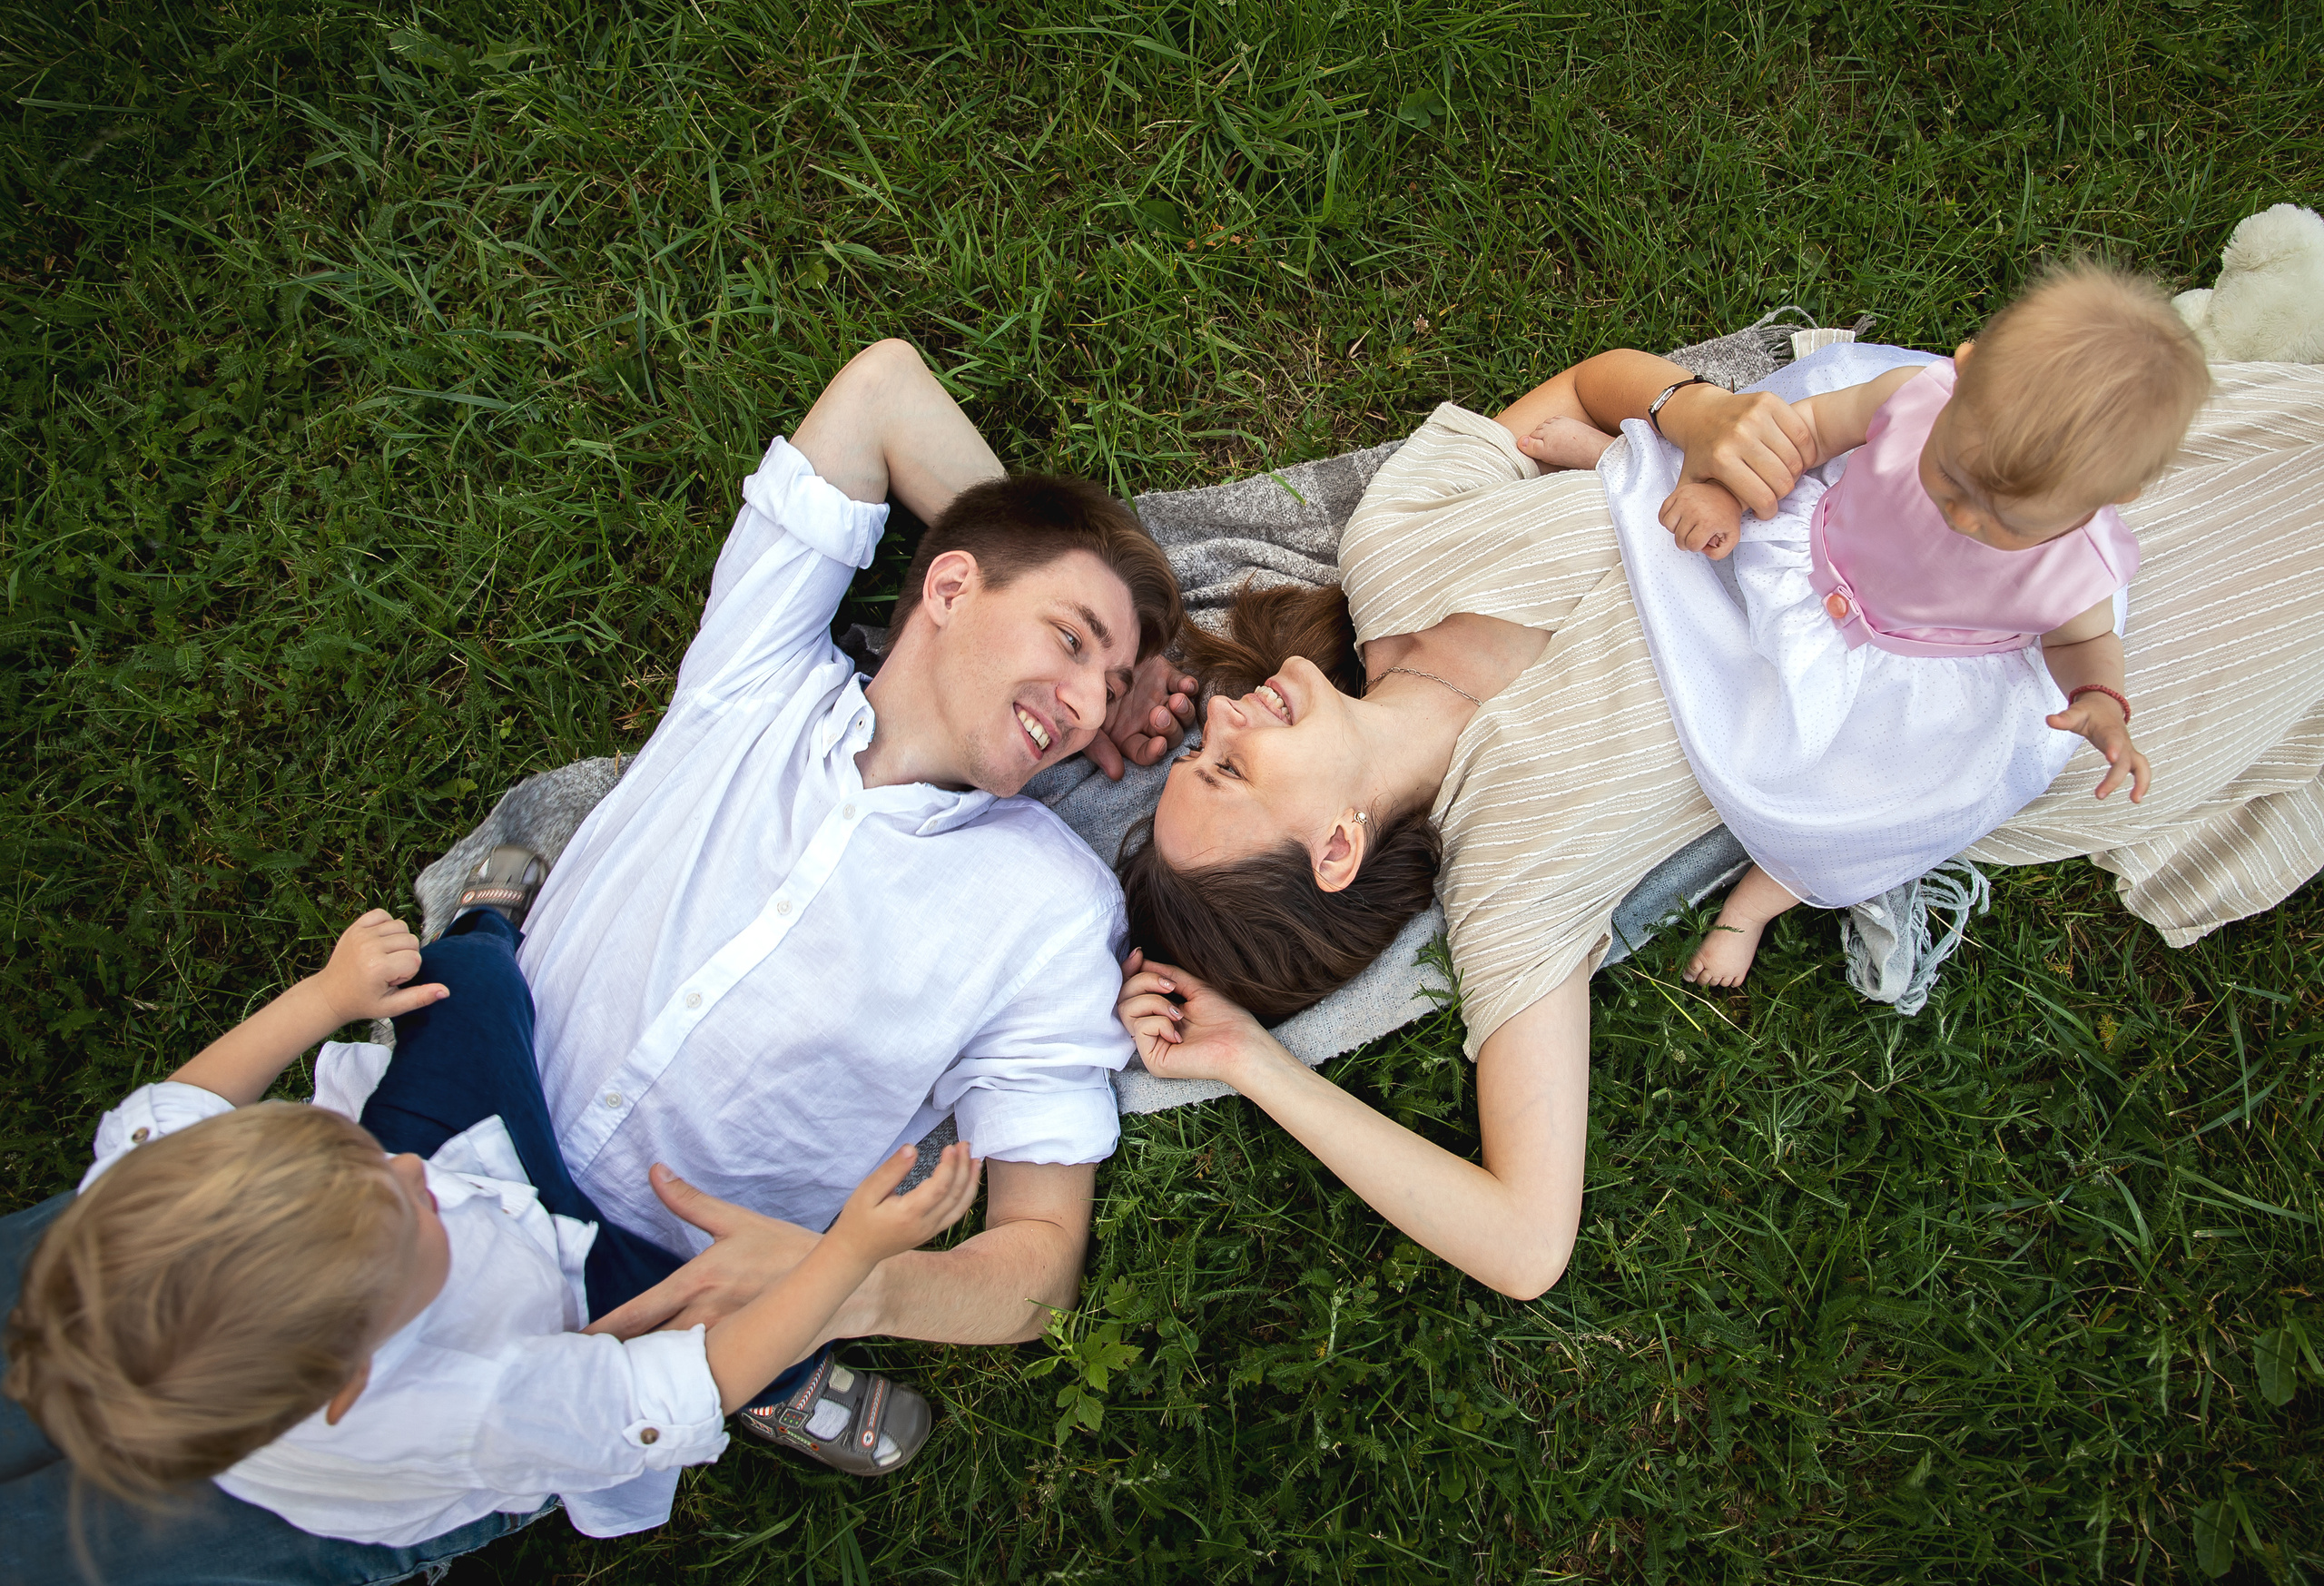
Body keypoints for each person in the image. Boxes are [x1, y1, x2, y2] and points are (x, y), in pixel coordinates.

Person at [1114, 345, 2324, 1301]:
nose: (1216, 720)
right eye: (1227, 771)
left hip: (1926, 498)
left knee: (2176, 414)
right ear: (1334, 847)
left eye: (1196, 745)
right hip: (2047, 696)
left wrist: (1694, 414)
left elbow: (1586, 389)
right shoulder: (1512, 878)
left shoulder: (1394, 546)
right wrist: (1251, 1062)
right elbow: (1526, 1243)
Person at [488, 339, 1195, 1441]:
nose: (1089, 706)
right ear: (948, 586)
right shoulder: (758, 670)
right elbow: (883, 389)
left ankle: (776, 1369)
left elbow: (1040, 1268)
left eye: (1110, 689)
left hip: (632, 1311)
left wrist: (839, 1288)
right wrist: (1083, 585)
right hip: (446, 1124)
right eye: (1069, 643)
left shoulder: (1052, 910)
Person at [3, 898, 980, 1573]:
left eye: (353, 1156)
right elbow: (680, 1385)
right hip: (553, 1326)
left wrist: (328, 997)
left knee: (464, 976)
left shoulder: (158, 1190)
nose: (407, 1169)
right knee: (708, 1311)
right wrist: (846, 1256)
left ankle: (480, 930)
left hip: (498, 1203)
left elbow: (178, 1106)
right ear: (356, 1371)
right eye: (398, 1213)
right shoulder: (465, 1411)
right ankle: (785, 1375)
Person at [1517, 265, 2212, 986]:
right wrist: (1729, 495)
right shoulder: (1916, 398)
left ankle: (1752, 906)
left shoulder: (2079, 562)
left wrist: (2098, 697)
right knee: (1692, 544)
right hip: (1811, 556)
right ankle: (1619, 463)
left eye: (2007, 521)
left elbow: (2082, 640)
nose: (1962, 516)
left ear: (2111, 497)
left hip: (1909, 670)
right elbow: (1811, 433)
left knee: (1863, 813)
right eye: (1951, 476)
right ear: (1962, 370)